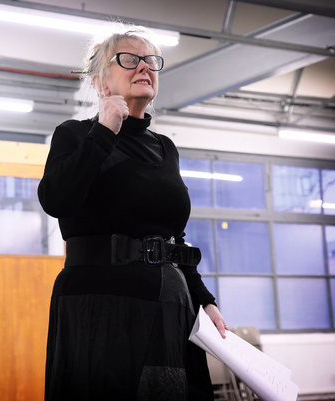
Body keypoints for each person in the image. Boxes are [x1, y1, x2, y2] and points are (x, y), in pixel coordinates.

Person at [38, 25, 228, 401]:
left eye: (150, 60)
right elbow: (56, 200)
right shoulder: (76, 134)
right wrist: (105, 131)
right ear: (99, 81)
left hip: (168, 301)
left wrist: (204, 298)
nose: (143, 66)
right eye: (128, 59)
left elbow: (175, 237)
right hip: (99, 302)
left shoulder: (165, 147)